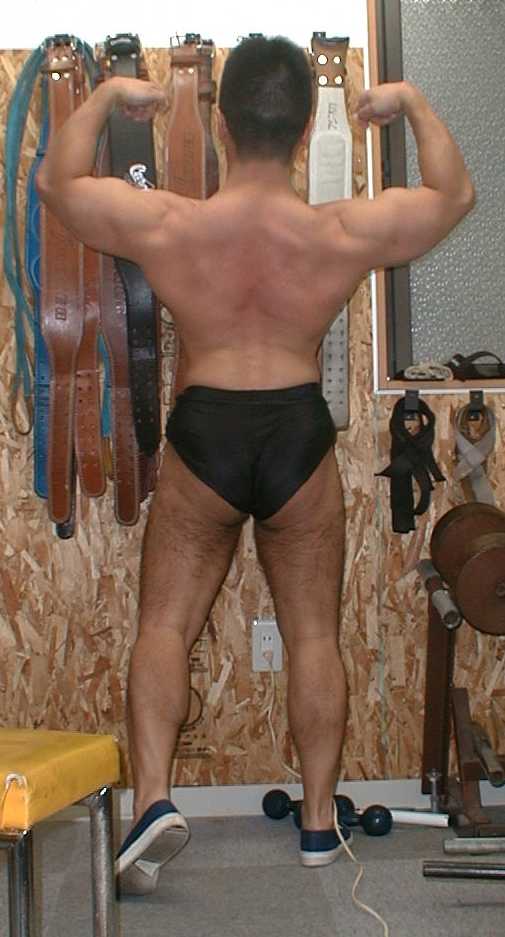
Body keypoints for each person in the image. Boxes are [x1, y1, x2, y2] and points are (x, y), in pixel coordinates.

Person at [37, 35, 474, 892]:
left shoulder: (168, 221)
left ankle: (153, 803)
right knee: (313, 634)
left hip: (207, 430)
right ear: (305, 129)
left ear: (223, 126)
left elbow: (57, 183)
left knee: (165, 627)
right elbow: (452, 194)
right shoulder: (338, 228)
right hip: (295, 431)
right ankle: (316, 822)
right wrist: (411, 103)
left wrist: (112, 96)